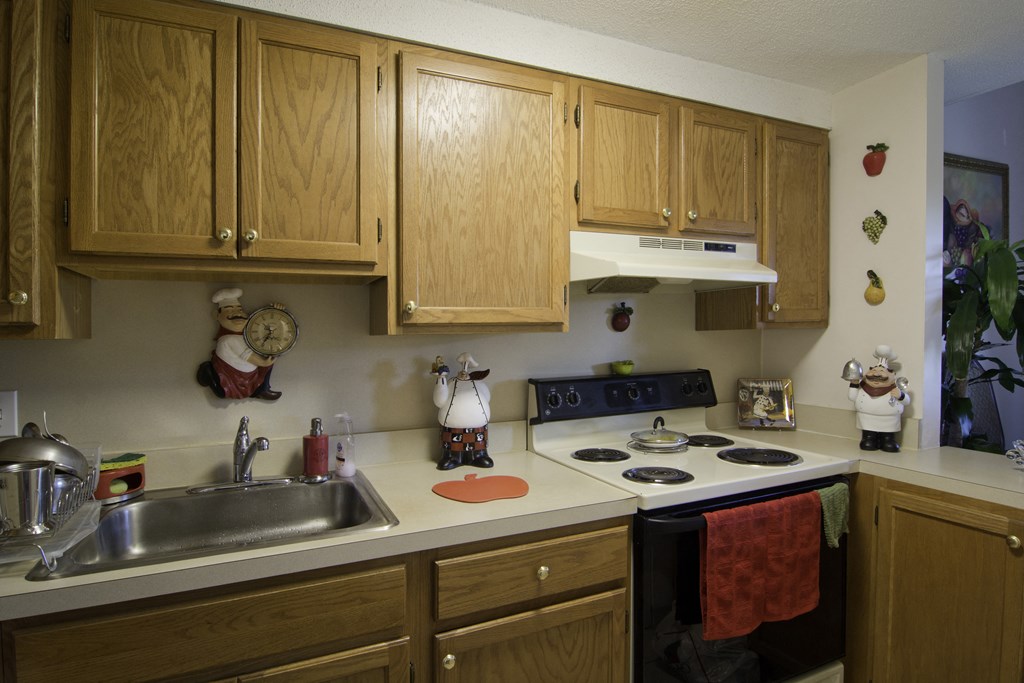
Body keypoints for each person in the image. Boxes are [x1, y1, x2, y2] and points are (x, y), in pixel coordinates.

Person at [196, 288, 281, 400]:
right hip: (232, 380)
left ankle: (261, 389)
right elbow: (250, 356)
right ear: (216, 315)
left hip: (249, 378)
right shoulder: (229, 339)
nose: (237, 313)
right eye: (229, 309)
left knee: (270, 357)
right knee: (268, 362)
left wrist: (276, 311)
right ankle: (210, 374)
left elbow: (265, 327)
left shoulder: (247, 336)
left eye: (240, 309)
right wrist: (263, 363)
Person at [847, 345, 909, 452]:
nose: (876, 374)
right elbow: (852, 397)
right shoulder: (863, 387)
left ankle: (888, 440)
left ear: (893, 375)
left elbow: (907, 401)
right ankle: (869, 439)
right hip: (867, 420)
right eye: (873, 371)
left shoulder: (896, 388)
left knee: (888, 436)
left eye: (882, 372)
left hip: (889, 420)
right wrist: (854, 384)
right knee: (868, 437)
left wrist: (900, 395)